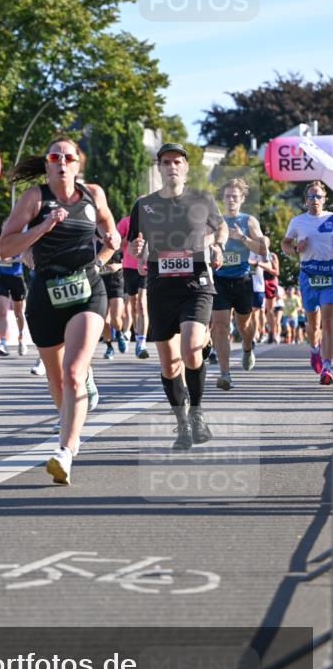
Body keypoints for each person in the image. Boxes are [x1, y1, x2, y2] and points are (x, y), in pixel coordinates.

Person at [0, 136, 120, 485]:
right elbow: (6, 245)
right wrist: (43, 227)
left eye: (69, 157)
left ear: (78, 164)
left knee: (72, 371)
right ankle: (71, 420)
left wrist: (105, 253)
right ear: (47, 163)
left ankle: (65, 451)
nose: (62, 162)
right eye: (55, 156)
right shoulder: (34, 198)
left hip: (87, 289)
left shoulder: (94, 194)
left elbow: (111, 236)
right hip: (44, 292)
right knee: (57, 381)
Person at [128, 143, 228, 449]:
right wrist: (136, 250)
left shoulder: (202, 199)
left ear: (185, 168)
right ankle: (182, 423)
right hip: (160, 287)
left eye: (177, 162)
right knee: (170, 364)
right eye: (166, 162)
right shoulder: (143, 205)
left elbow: (221, 227)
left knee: (190, 348)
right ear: (159, 168)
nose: (172, 166)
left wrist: (219, 245)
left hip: (196, 284)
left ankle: (196, 413)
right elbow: (134, 243)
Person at [210, 178, 268, 390]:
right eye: (227, 196)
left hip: (242, 279)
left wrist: (243, 238)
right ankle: (225, 374)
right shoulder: (216, 221)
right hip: (220, 280)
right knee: (220, 326)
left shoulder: (249, 220)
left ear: (242, 199)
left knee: (244, 325)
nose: (231, 200)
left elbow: (263, 249)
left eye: (235, 196)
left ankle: (246, 347)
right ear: (222, 199)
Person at [282, 180, 333, 384]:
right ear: (305, 200)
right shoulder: (297, 221)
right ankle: (314, 348)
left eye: (318, 196)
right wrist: (295, 249)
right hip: (309, 276)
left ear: (324, 199)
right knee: (313, 322)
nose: (315, 200)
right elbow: (285, 244)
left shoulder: (331, 218)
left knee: (328, 321)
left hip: (330, 275)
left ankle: (327, 365)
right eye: (311, 197)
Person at [116, 214, 149, 358]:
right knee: (134, 304)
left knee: (142, 303)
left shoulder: (153, 221)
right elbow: (116, 243)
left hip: (147, 266)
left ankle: (142, 342)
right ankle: (137, 333)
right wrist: (130, 241)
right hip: (129, 267)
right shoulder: (126, 221)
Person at [0, 255, 28, 357]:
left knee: (18, 313)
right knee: (2, 311)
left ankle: (21, 338)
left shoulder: (18, 240)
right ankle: (2, 342)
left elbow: (26, 257)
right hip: (2, 278)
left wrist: (11, 259)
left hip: (17, 278)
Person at [97, 244, 126, 359]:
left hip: (116, 282)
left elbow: (129, 261)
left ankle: (119, 333)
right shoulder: (93, 244)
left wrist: (118, 265)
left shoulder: (116, 242)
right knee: (105, 320)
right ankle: (109, 347)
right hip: (100, 284)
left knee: (116, 317)